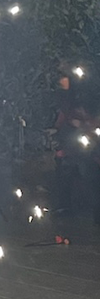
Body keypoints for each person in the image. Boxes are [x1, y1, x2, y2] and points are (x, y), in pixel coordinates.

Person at [49, 73, 91, 214]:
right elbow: (61, 118)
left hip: (75, 143)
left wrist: (79, 123)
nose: (62, 82)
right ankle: (66, 204)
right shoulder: (62, 100)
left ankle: (78, 204)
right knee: (65, 174)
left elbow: (81, 118)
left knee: (77, 173)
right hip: (66, 142)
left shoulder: (76, 101)